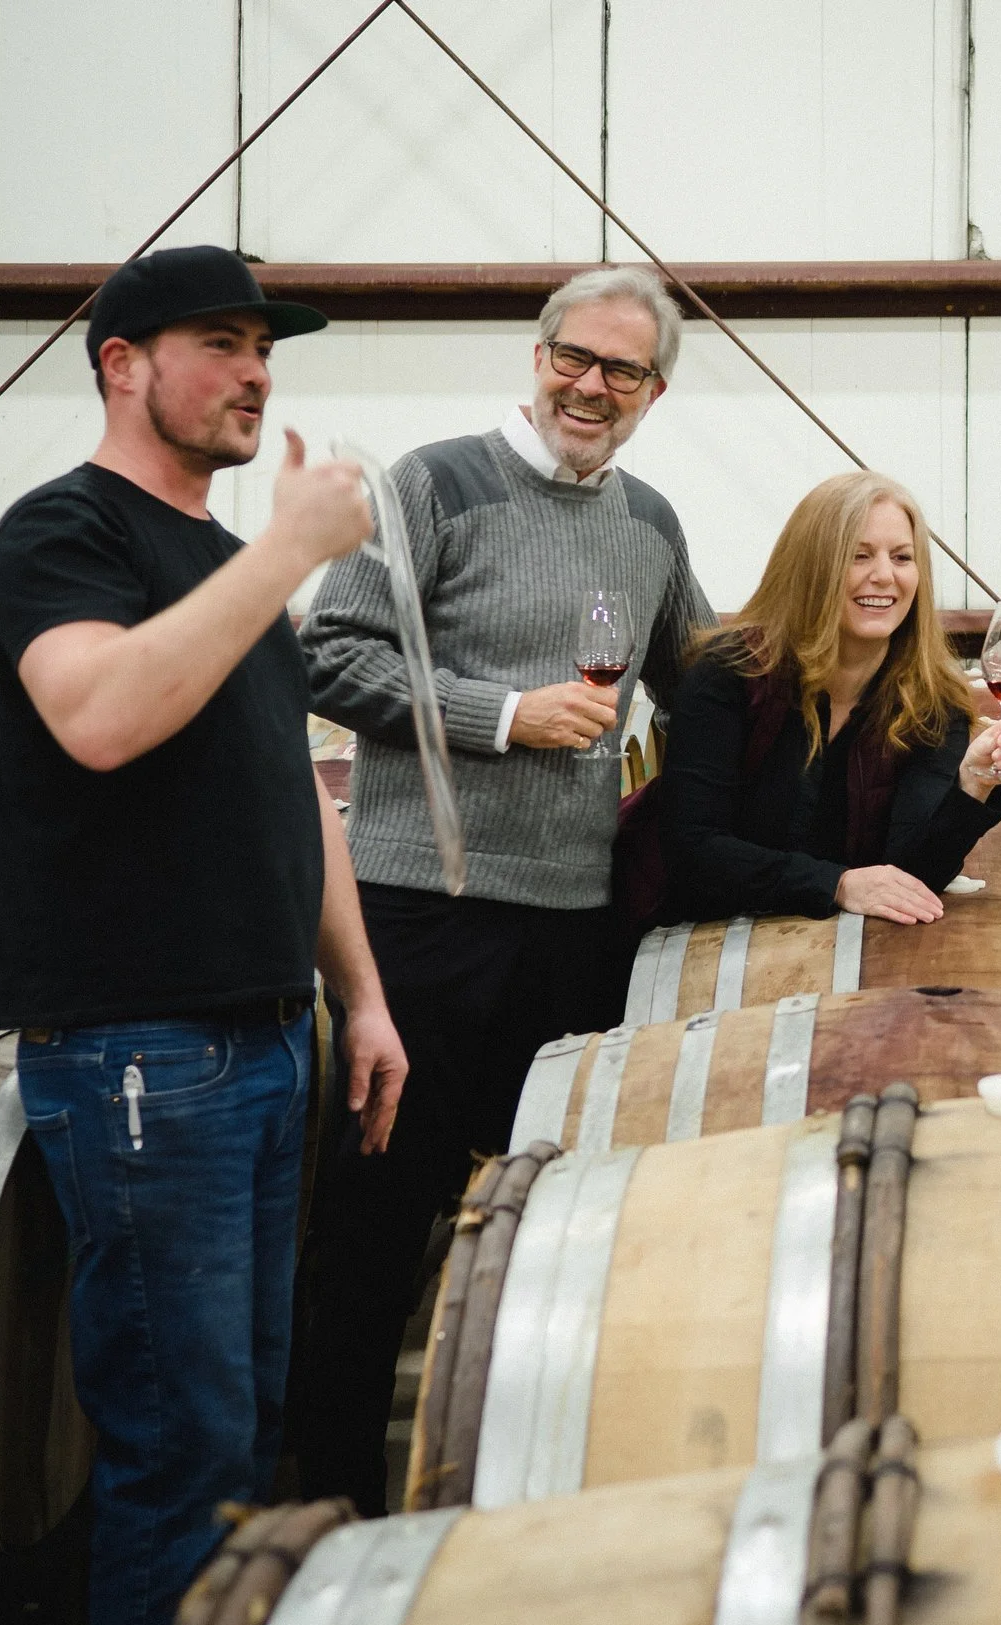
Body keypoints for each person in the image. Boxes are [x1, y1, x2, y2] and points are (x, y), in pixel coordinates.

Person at [0, 245, 408, 1625]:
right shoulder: (58, 537)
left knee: (249, 1425)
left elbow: (296, 788)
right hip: (144, 1058)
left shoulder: (224, 566)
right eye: (220, 342)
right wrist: (294, 548)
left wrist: (364, 993)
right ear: (122, 362)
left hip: (268, 1043)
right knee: (181, 1444)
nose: (257, 371)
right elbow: (99, 716)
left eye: (264, 348)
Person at [290, 265, 714, 1515]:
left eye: (622, 371)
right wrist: (500, 714)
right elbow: (328, 655)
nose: (592, 386)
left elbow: (710, 688)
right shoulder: (431, 484)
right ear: (538, 355)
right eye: (573, 358)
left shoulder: (650, 524)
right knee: (377, 1223)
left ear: (655, 390)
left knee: (548, 1222)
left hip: (572, 929)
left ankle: (506, 1497)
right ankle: (333, 1504)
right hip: (423, 913)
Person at [651, 470, 1001, 927]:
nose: (885, 576)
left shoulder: (931, 699)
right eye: (859, 556)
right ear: (813, 566)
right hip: (710, 941)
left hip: (840, 960)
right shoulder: (731, 673)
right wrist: (836, 883)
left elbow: (912, 878)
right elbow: (694, 847)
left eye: (903, 557)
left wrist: (972, 786)